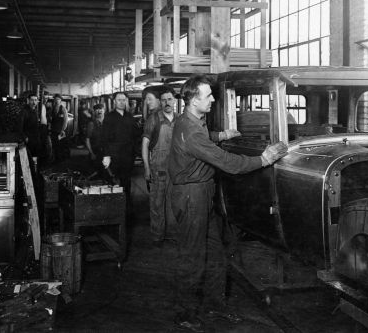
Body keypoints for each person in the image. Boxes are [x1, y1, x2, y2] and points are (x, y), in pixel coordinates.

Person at [168, 75, 288, 332]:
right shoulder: (190, 130)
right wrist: (263, 160)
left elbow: (205, 137)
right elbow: (228, 163)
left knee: (216, 255)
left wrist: (222, 134)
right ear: (192, 99)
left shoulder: (192, 122)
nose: (213, 99)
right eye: (208, 95)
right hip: (191, 198)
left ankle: (214, 305)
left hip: (200, 194)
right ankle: (183, 313)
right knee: (193, 258)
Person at [141, 86, 178, 246]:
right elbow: (145, 145)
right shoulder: (154, 119)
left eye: (170, 99)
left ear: (175, 101)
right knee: (157, 203)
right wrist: (147, 168)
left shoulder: (180, 119)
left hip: (175, 169)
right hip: (158, 169)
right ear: (160, 102)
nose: (167, 102)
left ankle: (171, 234)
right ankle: (157, 236)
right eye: (163, 100)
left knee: (173, 203)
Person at [101, 91, 139, 206]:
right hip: (114, 155)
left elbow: (135, 135)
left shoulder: (129, 117)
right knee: (113, 182)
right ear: (114, 102)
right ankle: (113, 209)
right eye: (119, 100)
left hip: (128, 155)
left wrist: (135, 151)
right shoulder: (109, 117)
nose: (122, 102)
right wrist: (106, 155)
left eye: (124, 100)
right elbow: (104, 137)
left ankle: (126, 208)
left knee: (126, 182)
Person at [17, 92, 48, 165]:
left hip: (35, 139)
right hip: (28, 140)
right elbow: (19, 127)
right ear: (28, 100)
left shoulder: (35, 111)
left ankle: (34, 173)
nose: (34, 102)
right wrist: (25, 137)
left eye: (35, 100)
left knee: (35, 159)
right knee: (28, 160)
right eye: (32, 100)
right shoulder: (24, 111)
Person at [49, 94, 69, 163]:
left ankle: (61, 159)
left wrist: (63, 130)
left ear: (60, 100)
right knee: (54, 145)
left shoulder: (63, 108)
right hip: (53, 129)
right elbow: (50, 118)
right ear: (54, 100)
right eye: (56, 99)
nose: (57, 101)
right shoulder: (52, 108)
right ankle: (56, 158)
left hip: (60, 130)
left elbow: (65, 120)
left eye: (58, 99)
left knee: (61, 145)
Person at [85, 103, 105, 173]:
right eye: (97, 110)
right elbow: (87, 140)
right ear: (94, 112)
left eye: (101, 109)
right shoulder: (91, 124)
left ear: (104, 110)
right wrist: (91, 153)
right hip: (95, 152)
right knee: (95, 172)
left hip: (107, 152)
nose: (99, 111)